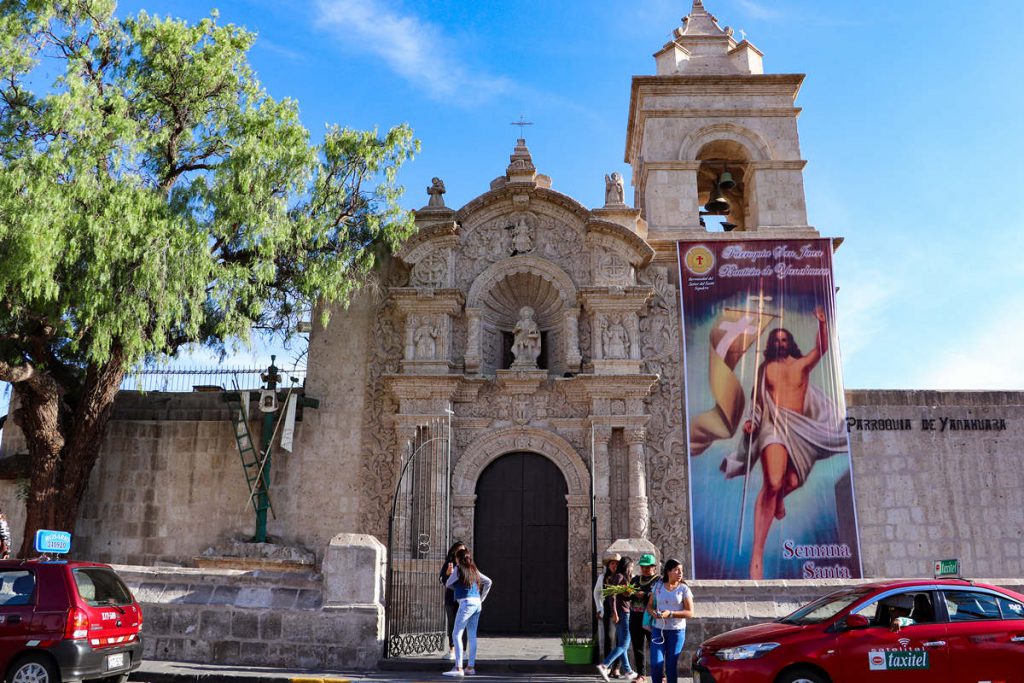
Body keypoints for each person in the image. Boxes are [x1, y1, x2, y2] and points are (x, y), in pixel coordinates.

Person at [722, 307, 848, 579]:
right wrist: (753, 421)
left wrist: (823, 324)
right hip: (773, 426)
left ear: (790, 343)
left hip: (800, 429)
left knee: (791, 482)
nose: (779, 343)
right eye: (775, 340)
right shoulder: (766, 368)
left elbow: (822, 348)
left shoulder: (801, 364)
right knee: (774, 482)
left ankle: (778, 500)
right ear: (770, 345)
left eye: (783, 339)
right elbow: (758, 401)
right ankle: (757, 553)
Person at [444, 549, 492, 677]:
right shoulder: (474, 569)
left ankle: (458, 667)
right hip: (477, 604)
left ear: (458, 559)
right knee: (472, 635)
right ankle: (470, 667)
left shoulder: (458, 569)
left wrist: (452, 577)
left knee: (456, 634)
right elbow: (488, 582)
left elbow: (448, 583)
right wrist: (481, 598)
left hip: (466, 603)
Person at [647, 559, 694, 683]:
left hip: (677, 632)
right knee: (656, 664)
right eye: (677, 570)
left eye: (681, 570)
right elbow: (650, 606)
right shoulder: (658, 586)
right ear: (668, 571)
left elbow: (690, 612)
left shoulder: (684, 589)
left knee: (670, 667)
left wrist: (671, 614)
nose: (680, 573)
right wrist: (654, 613)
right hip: (658, 630)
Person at [597, 556, 636, 681]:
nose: (632, 568)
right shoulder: (619, 576)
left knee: (621, 643)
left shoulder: (621, 577)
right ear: (627, 566)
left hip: (623, 612)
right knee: (625, 643)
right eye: (631, 566)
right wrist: (615, 612)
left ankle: (628, 671)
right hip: (623, 613)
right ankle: (605, 665)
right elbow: (611, 596)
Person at [628, 554, 659, 683]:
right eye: (643, 567)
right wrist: (627, 593)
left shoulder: (659, 581)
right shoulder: (635, 580)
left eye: (649, 567)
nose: (645, 569)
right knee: (638, 647)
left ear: (654, 567)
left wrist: (645, 595)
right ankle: (641, 674)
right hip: (635, 617)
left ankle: (660, 675)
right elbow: (628, 597)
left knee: (656, 648)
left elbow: (660, 596)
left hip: (651, 619)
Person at [439, 541, 467, 661]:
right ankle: (452, 650)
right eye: (459, 550)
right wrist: (447, 575)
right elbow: (441, 579)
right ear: (454, 551)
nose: (461, 553)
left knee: (463, 625)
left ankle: (463, 651)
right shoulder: (449, 564)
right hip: (451, 599)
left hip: (462, 598)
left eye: (463, 550)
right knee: (451, 624)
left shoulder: (467, 565)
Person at [593, 553, 621, 676]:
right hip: (608, 610)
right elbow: (596, 593)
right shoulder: (603, 577)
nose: (614, 566)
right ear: (609, 565)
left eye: (616, 564)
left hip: (621, 610)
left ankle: (617, 668)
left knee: (620, 640)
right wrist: (599, 608)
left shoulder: (622, 577)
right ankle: (607, 666)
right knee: (609, 638)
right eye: (612, 563)